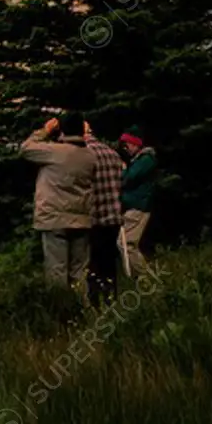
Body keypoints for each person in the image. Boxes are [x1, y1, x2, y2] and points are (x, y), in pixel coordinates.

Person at [19, 112, 96, 300]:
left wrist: (45, 131)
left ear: (61, 129)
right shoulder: (90, 156)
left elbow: (25, 149)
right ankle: (81, 311)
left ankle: (60, 313)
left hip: (54, 219)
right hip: (82, 219)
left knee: (57, 270)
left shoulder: (53, 151)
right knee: (79, 271)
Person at [83, 120, 124, 307]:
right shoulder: (113, 154)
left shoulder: (84, 155)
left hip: (94, 217)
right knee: (109, 262)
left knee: (93, 263)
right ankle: (112, 299)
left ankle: (94, 303)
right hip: (114, 216)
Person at [118, 125, 157, 277]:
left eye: (126, 144)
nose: (125, 148)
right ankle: (141, 278)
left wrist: (123, 170)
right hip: (134, 206)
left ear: (135, 143)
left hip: (139, 206)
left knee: (126, 244)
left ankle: (146, 279)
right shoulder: (139, 160)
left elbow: (128, 178)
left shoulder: (146, 160)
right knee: (126, 244)